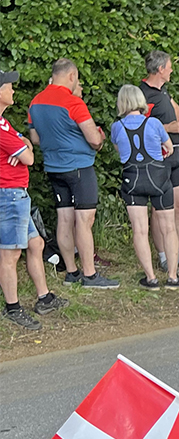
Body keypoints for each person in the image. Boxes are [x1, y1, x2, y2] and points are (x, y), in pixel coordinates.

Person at [27, 58, 119, 289]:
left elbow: (35, 139)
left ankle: (71, 272)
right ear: (71, 76)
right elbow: (94, 138)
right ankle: (90, 275)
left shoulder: (35, 103)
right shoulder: (73, 102)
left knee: (64, 219)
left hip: (53, 168)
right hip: (79, 167)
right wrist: (100, 139)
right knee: (84, 220)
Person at [1, 69, 69, 330]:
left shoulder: (5, 124)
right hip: (8, 194)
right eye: (8, 87)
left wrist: (22, 146)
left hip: (17, 194)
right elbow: (29, 157)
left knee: (36, 243)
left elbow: (27, 146)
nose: (13, 90)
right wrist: (23, 148)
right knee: (10, 254)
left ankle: (44, 297)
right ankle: (13, 307)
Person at [110, 85, 179, 290]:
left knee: (140, 230)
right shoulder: (154, 123)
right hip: (159, 179)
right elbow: (169, 147)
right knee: (168, 228)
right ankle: (172, 277)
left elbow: (119, 150)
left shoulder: (117, 127)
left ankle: (150, 278)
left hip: (132, 180)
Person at [140, 50, 179, 273]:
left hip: (176, 154)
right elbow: (138, 127)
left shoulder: (163, 90)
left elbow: (174, 108)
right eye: (169, 66)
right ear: (159, 70)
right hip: (158, 158)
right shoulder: (142, 94)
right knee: (159, 209)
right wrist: (169, 128)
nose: (172, 70)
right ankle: (165, 257)